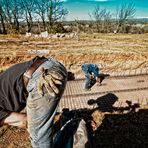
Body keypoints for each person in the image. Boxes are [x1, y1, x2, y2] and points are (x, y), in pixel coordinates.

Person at [0, 56, 68, 148]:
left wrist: (35, 127)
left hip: (41, 80)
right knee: (39, 130)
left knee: (39, 137)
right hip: (52, 66)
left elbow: (24, 120)